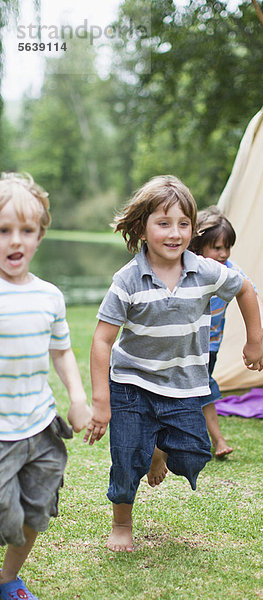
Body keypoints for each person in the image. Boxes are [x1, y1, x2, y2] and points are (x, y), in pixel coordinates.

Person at [83, 175, 263, 552]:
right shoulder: (128, 279)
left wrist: (254, 339)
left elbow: (244, 288)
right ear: (142, 228)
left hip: (184, 385)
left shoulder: (205, 270)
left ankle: (158, 449)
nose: (174, 233)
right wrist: (101, 399)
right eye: (163, 223)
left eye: (183, 224)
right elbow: (102, 340)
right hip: (132, 384)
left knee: (194, 451)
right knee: (126, 458)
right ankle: (122, 522)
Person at [0, 173, 91, 600]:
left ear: (39, 236)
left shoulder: (50, 296)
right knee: (5, 513)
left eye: (26, 231)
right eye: (3, 230)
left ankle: (8, 580)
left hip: (39, 428)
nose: (15, 241)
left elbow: (61, 353)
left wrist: (77, 398)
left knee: (36, 510)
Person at [189, 206, 263, 457]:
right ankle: (218, 440)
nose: (224, 253)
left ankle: (196, 441)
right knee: (203, 389)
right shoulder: (189, 268)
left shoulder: (230, 270)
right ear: (199, 246)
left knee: (199, 391)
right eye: (217, 247)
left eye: (227, 247)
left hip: (210, 346)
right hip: (187, 346)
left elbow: (250, 291)